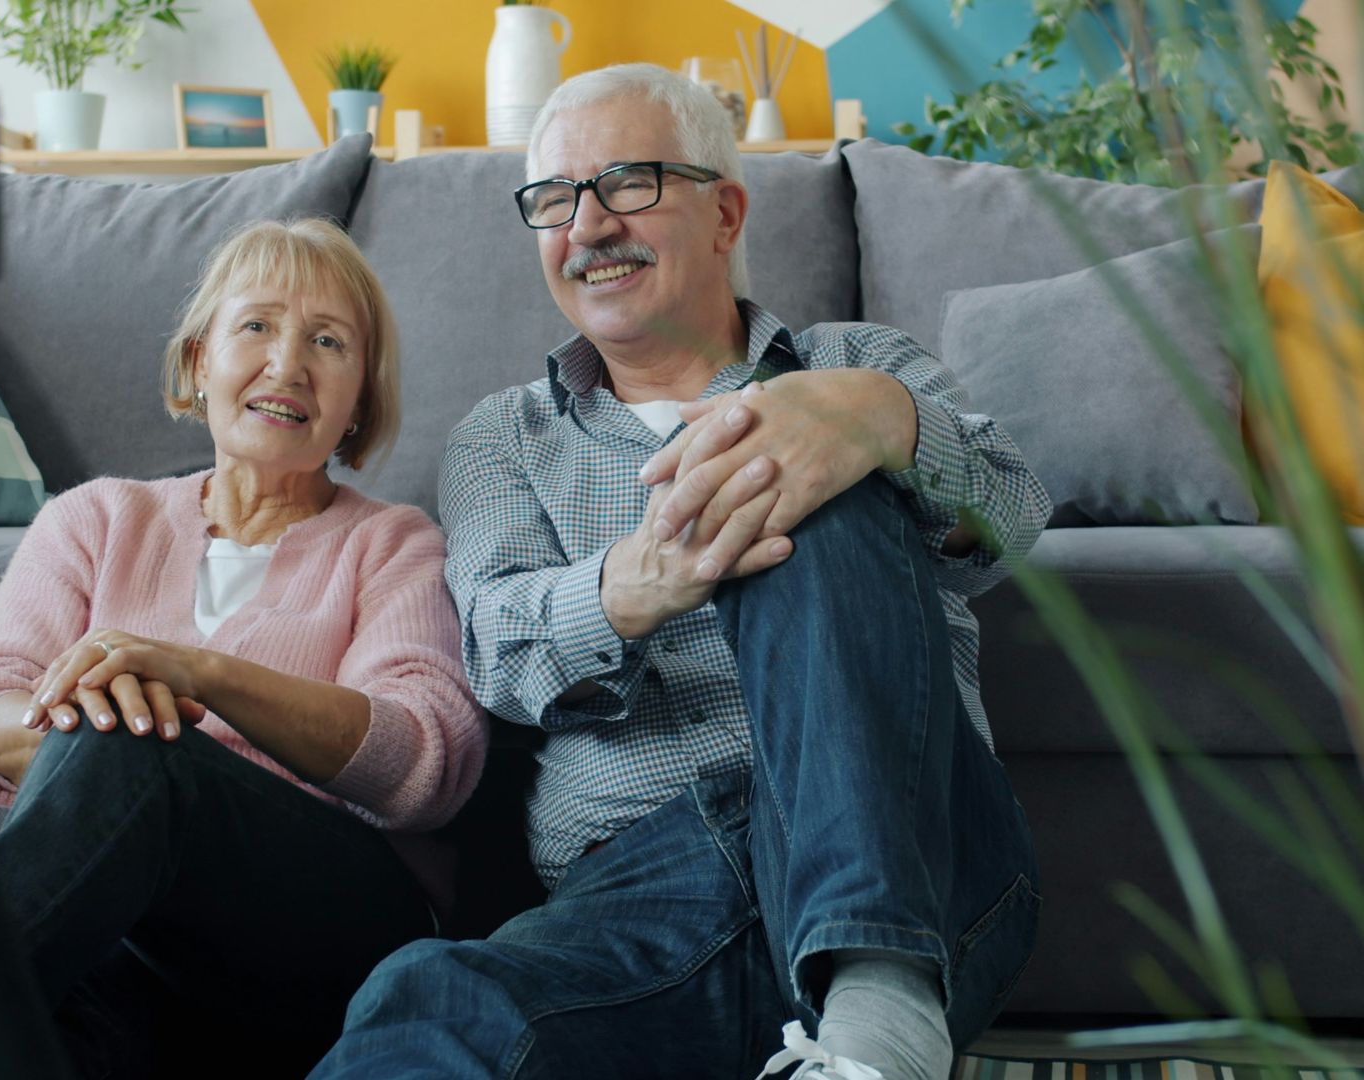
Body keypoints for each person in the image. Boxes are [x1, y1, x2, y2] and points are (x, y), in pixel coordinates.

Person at [310, 64, 1052, 1080]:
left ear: (725, 211)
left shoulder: (857, 354)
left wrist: (880, 415)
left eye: (628, 182)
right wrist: (636, 584)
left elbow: (1012, 513)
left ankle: (879, 1011)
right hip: (649, 895)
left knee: (806, 442)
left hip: (922, 848)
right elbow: (493, 646)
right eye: (556, 201)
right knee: (426, 999)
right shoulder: (502, 439)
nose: (588, 225)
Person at [0, 218, 489, 1080]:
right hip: (148, 957)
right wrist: (101, 715)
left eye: (328, 342)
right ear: (201, 360)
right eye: (257, 327)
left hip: (333, 944)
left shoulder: (395, 543)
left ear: (358, 400)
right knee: (48, 1016)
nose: (288, 364)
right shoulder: (97, 518)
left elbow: (424, 764)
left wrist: (197, 680)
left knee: (133, 743)